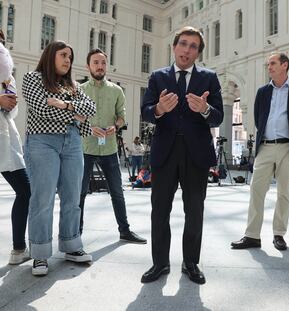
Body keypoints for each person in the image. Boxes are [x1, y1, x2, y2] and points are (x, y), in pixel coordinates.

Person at [140, 26, 223, 285]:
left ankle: (191, 263)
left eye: (193, 46)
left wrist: (206, 109)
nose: (187, 50)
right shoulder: (157, 77)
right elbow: (145, 112)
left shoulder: (209, 78)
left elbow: (219, 115)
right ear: (174, 46)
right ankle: (160, 263)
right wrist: (159, 109)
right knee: (159, 211)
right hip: (165, 153)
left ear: (198, 52)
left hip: (196, 154)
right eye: (183, 44)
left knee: (194, 210)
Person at [22, 41, 96, 276]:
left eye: (71, 57)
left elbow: (91, 109)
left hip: (72, 142)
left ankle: (72, 245)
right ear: (51, 55)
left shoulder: (73, 85)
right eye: (63, 55)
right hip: (42, 141)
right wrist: (75, 113)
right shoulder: (32, 79)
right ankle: (40, 255)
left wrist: (63, 104)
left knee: (73, 196)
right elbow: (41, 109)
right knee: (43, 198)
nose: (68, 60)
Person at [231, 52, 289, 251]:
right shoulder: (262, 91)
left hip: (288, 147)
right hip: (265, 146)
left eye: (273, 63)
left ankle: (279, 234)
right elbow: (259, 118)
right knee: (256, 190)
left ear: (285, 65)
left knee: (284, 193)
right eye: (268, 64)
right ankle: (252, 236)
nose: (269, 67)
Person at [79, 48, 147, 244]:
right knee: (80, 193)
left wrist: (115, 125)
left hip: (109, 149)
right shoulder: (80, 90)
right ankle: (76, 233)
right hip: (85, 148)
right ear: (88, 66)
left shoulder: (117, 90)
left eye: (103, 62)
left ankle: (124, 231)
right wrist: (89, 128)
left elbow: (122, 116)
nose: (100, 66)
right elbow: (74, 119)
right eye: (95, 62)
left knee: (117, 191)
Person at [0, 30, 31, 265]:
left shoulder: (7, 76)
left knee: (25, 190)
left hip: (5, 138)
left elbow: (13, 110)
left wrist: (10, 101)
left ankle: (18, 249)